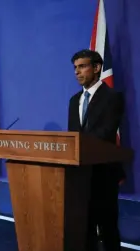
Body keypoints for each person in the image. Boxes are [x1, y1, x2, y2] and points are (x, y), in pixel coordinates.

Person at [68, 49, 125, 251]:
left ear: (97, 67)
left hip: (104, 173)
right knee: (84, 227)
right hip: (80, 175)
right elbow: (72, 136)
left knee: (107, 227)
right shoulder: (74, 101)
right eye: (75, 68)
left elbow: (106, 132)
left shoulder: (113, 97)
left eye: (82, 66)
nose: (77, 72)